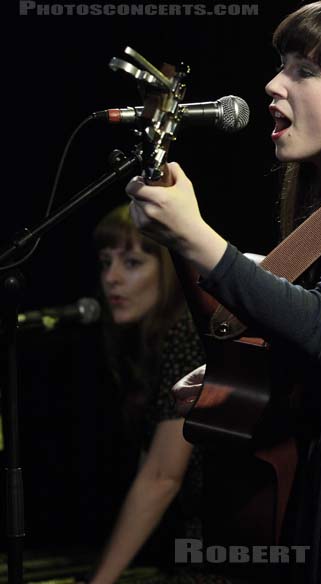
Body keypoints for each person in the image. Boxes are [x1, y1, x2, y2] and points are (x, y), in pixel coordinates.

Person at [125, 0, 321, 584]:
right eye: (281, 65)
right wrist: (264, 369)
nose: (274, 84)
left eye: (304, 70)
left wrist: (196, 238)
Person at [85, 204, 212, 584]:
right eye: (106, 262)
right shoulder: (148, 345)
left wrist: (101, 581)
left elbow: (162, 476)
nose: (112, 278)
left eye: (133, 263)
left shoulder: (186, 337)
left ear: (168, 273)